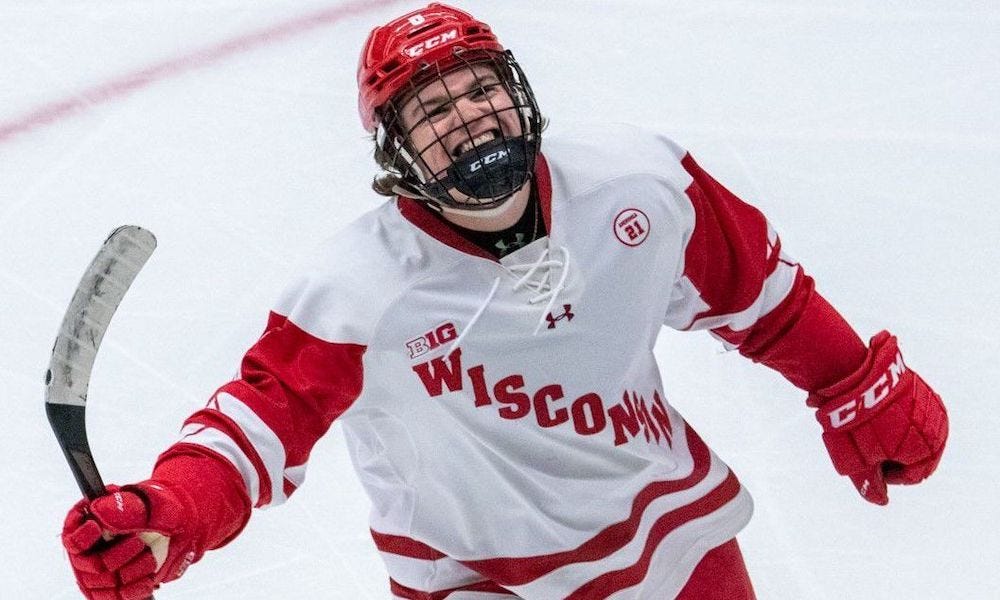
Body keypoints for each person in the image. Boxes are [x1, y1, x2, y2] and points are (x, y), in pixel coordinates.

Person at [60, 4, 949, 599]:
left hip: (672, 539)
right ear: (395, 152)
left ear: (519, 93)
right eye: (433, 109)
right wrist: (173, 513)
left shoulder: (638, 184)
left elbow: (759, 294)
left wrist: (851, 381)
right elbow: (258, 425)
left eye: (480, 87)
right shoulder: (358, 290)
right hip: (479, 581)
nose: (469, 116)